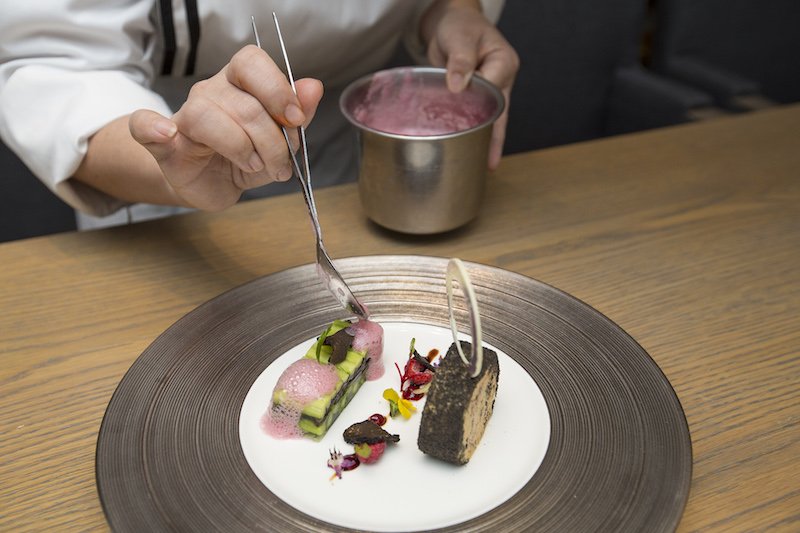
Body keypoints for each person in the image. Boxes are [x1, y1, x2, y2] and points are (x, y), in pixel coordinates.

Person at [0, 1, 518, 228]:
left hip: (360, 169)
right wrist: (176, 158)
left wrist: (453, 12)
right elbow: (58, 71)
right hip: (166, 185)